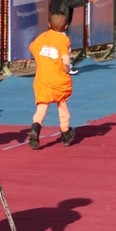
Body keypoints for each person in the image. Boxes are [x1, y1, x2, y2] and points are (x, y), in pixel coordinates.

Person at [27, 13, 76, 149]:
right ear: (66, 27)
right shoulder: (63, 39)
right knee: (62, 103)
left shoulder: (42, 37)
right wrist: (66, 64)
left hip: (42, 78)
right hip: (58, 79)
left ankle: (35, 128)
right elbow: (65, 54)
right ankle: (65, 131)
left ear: (49, 25)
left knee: (42, 106)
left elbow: (32, 47)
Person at [50, 0, 98, 74]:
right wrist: (86, 0)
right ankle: (66, 67)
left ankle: (64, 66)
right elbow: (69, 2)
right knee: (63, 44)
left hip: (65, 19)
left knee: (63, 44)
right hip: (59, 20)